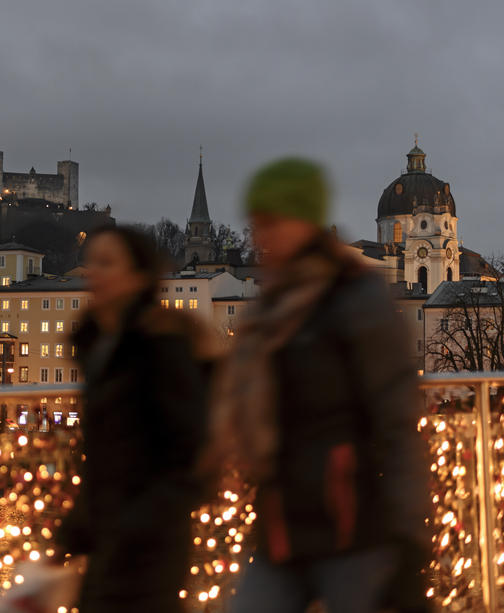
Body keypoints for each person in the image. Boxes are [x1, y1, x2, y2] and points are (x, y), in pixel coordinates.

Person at [209, 158, 432, 613]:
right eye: (257, 224)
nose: (260, 236)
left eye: (272, 222)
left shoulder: (358, 300)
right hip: (281, 521)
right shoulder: (269, 309)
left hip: (353, 527)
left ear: (304, 222)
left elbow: (398, 423)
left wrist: (408, 540)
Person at [55, 225, 218, 613]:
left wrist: (139, 525)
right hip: (111, 537)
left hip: (148, 543)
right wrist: (74, 535)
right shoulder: (101, 345)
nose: (93, 272)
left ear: (139, 276)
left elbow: (190, 451)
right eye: (91, 261)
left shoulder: (161, 347)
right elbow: (104, 459)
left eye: (107, 263)